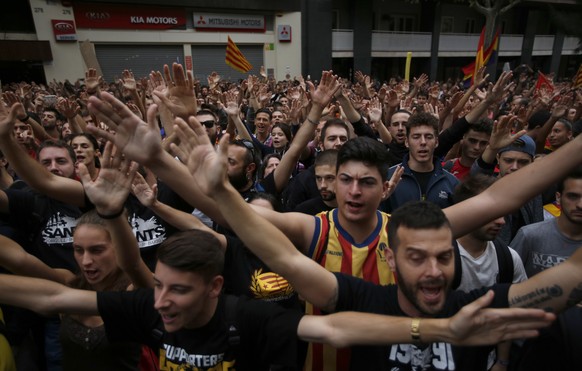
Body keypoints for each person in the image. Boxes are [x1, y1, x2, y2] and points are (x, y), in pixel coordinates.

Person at [167, 117, 582, 371]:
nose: (353, 191)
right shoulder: (314, 230)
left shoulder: (410, 233)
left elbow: (501, 197)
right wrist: (160, 162)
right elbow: (236, 216)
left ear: (386, 187)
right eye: (344, 180)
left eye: (366, 182)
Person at [0, 142, 152, 370]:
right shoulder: (70, 283)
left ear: (119, 246)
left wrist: (113, 214)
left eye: (97, 250)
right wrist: (4, 137)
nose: (86, 261)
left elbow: (134, 264)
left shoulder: (138, 291)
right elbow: (19, 259)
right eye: (78, 250)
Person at [452, 174, 528, 370]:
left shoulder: (509, 259)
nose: (501, 221)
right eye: (492, 212)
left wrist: (501, 361)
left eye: (503, 212)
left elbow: (511, 314)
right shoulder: (439, 258)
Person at [510, 167, 582, 370]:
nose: (580, 205)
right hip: (527, 342)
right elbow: (509, 287)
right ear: (558, 197)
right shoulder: (530, 235)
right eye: (573, 196)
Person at [380, 112, 459, 213]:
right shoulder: (388, 177)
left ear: (436, 142)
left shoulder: (451, 183)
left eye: (428, 137)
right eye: (416, 137)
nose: (423, 142)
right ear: (407, 142)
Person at [294, 149, 338, 215]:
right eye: (318, 178)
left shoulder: (354, 210)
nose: (322, 185)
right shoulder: (303, 211)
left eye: (329, 178)